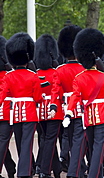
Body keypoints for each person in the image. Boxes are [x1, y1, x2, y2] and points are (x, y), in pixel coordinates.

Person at [63, 28, 104, 178]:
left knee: (92, 147)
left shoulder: (79, 77)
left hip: (87, 116)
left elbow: (75, 97)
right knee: (99, 148)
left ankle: (97, 173)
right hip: (103, 115)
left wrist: (68, 113)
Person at [0, 32, 43, 178]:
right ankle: (24, 172)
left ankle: (25, 170)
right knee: (26, 143)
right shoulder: (33, 76)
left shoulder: (8, 76)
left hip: (15, 114)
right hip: (30, 113)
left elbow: (3, 94)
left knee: (19, 142)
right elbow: (37, 97)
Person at [51, 25, 85, 178]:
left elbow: (55, 90)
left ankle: (80, 168)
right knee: (78, 141)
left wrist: (53, 105)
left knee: (71, 140)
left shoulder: (59, 70)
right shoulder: (84, 69)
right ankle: (74, 171)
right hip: (82, 109)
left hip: (66, 110)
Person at [34, 34, 62, 178]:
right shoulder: (56, 73)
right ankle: (44, 170)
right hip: (54, 110)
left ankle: (56, 169)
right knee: (50, 139)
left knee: (45, 138)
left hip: (39, 111)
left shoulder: (36, 74)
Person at [0, 36, 16, 178]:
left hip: (5, 111)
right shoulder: (9, 75)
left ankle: (11, 168)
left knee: (2, 142)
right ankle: (10, 168)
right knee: (3, 141)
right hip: (6, 111)